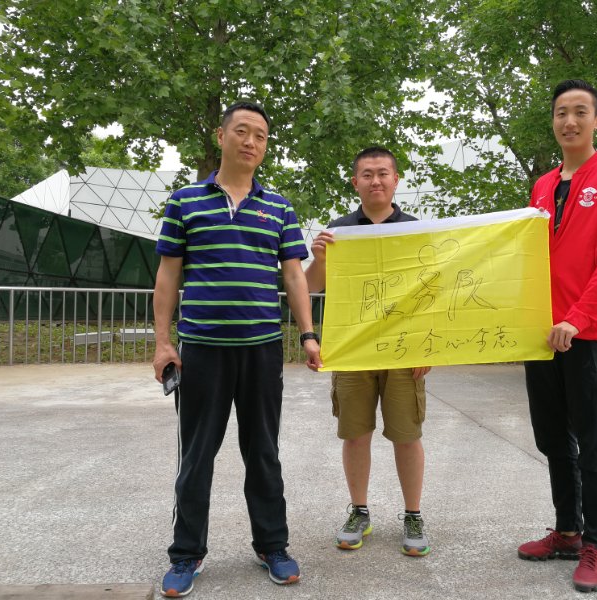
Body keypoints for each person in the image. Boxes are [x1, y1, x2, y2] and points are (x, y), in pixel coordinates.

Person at [153, 101, 321, 598]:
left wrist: (308, 334)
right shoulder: (185, 201)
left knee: (264, 453)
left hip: (261, 351)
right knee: (196, 456)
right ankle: (186, 553)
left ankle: (273, 546)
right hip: (202, 350)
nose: (251, 142)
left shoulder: (280, 208)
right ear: (221, 135)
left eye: (261, 136)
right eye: (242, 131)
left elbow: (294, 276)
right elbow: (168, 275)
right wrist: (163, 343)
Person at [518, 80, 597, 593]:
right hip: (541, 332)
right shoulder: (543, 185)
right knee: (551, 437)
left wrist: (579, 317)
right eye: (561, 113)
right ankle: (567, 531)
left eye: (580, 112)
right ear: (553, 121)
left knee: (592, 440)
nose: (569, 121)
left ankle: (595, 544)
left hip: (586, 331)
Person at [305, 146, 432, 557]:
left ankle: (413, 514)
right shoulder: (339, 231)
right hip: (353, 350)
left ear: (396, 180)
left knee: (407, 436)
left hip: (403, 351)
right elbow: (310, 286)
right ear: (355, 182)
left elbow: (431, 292)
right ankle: (359, 511)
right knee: (355, 434)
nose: (375, 181)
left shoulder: (415, 230)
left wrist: (426, 346)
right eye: (367, 174)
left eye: (382, 173)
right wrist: (319, 258)